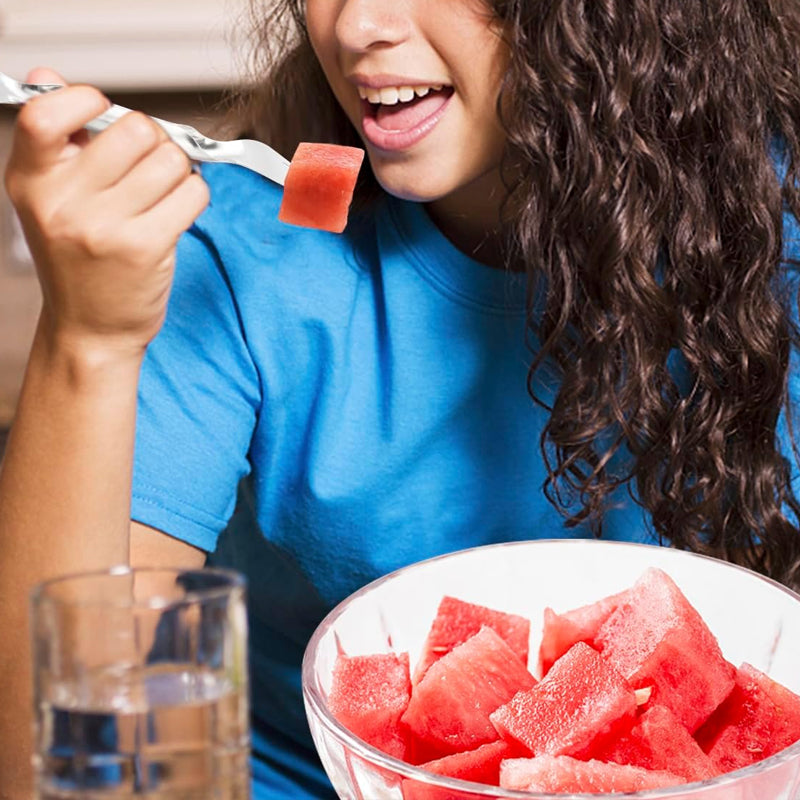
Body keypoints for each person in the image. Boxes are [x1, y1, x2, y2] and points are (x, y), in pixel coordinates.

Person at [1, 0, 800, 796]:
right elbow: (62, 765)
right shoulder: (237, 249)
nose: (355, 27)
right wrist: (89, 341)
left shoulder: (773, 223)